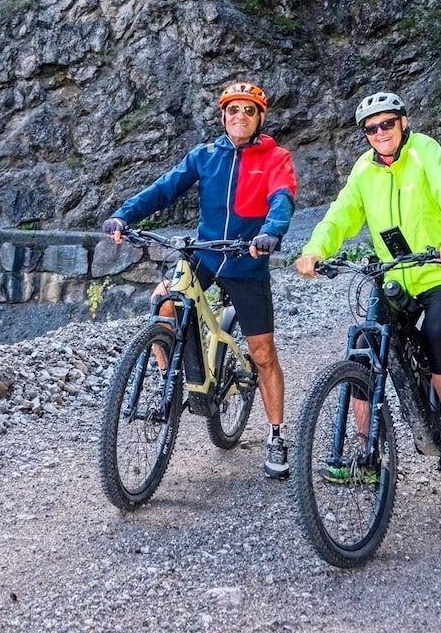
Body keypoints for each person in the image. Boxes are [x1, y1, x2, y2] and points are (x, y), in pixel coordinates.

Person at [102, 82, 297, 480]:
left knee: (262, 354)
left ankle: (276, 435)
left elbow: (282, 197)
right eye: (232, 110)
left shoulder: (275, 157)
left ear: (260, 118)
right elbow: (164, 189)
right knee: (163, 302)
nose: (239, 115)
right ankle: (168, 380)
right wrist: (124, 215)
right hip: (205, 254)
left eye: (247, 110)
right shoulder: (205, 155)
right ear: (223, 116)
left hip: (246, 260)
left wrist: (271, 232)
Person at [295, 90, 441, 472]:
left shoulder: (425, 151)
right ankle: (366, 454)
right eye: (371, 128)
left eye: (387, 123)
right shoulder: (364, 169)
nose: (380, 132)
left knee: (436, 333)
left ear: (403, 122)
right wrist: (315, 250)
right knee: (364, 345)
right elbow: (339, 215)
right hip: (395, 276)